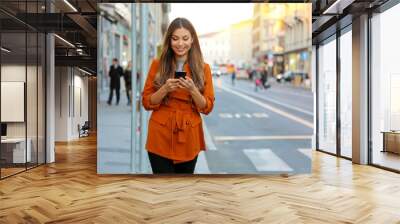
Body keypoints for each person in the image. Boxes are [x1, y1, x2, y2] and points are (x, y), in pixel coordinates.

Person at [142, 17, 215, 174]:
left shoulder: (204, 68)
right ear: (169, 40)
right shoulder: (157, 64)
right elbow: (147, 102)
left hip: (189, 136)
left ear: (192, 39)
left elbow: (207, 107)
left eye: (185, 38)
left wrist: (193, 90)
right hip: (160, 136)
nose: (180, 44)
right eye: (175, 38)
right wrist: (165, 89)